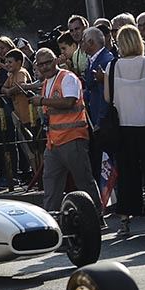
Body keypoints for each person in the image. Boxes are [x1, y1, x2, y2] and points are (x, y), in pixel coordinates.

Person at [105, 25, 145, 236]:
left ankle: (125, 219)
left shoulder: (113, 66)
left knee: (127, 173)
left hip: (124, 125)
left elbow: (108, 97)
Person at [28, 48, 102, 213]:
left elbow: (69, 102)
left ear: (55, 60)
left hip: (72, 138)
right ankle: (52, 219)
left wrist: (42, 101)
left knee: (83, 180)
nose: (46, 67)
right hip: (53, 141)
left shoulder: (67, 78)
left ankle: (96, 215)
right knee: (51, 184)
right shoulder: (47, 82)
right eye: (41, 64)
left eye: (48, 62)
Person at [81, 26, 116, 185]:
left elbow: (104, 93)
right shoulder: (93, 60)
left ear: (90, 42)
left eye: (83, 41)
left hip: (104, 120)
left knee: (109, 160)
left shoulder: (105, 60)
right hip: (95, 116)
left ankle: (113, 194)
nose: (81, 44)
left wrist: (100, 120)